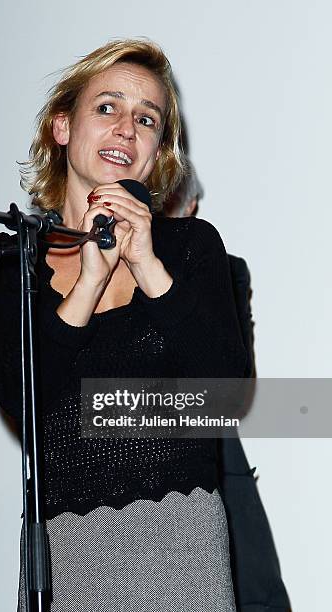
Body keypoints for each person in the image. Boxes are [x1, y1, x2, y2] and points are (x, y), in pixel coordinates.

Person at [0, 39, 248, 611]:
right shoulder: (6, 261)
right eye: (107, 108)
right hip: (64, 552)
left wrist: (147, 264)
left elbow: (226, 391)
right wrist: (89, 280)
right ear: (62, 128)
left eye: (146, 119)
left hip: (183, 545)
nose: (126, 128)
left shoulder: (192, 247)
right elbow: (24, 398)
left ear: (156, 153)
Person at [164, 160, 291, 611]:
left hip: (216, 460)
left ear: (194, 204)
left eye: (174, 198)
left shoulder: (224, 271)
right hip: (130, 473)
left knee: (256, 594)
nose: (164, 206)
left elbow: (235, 390)